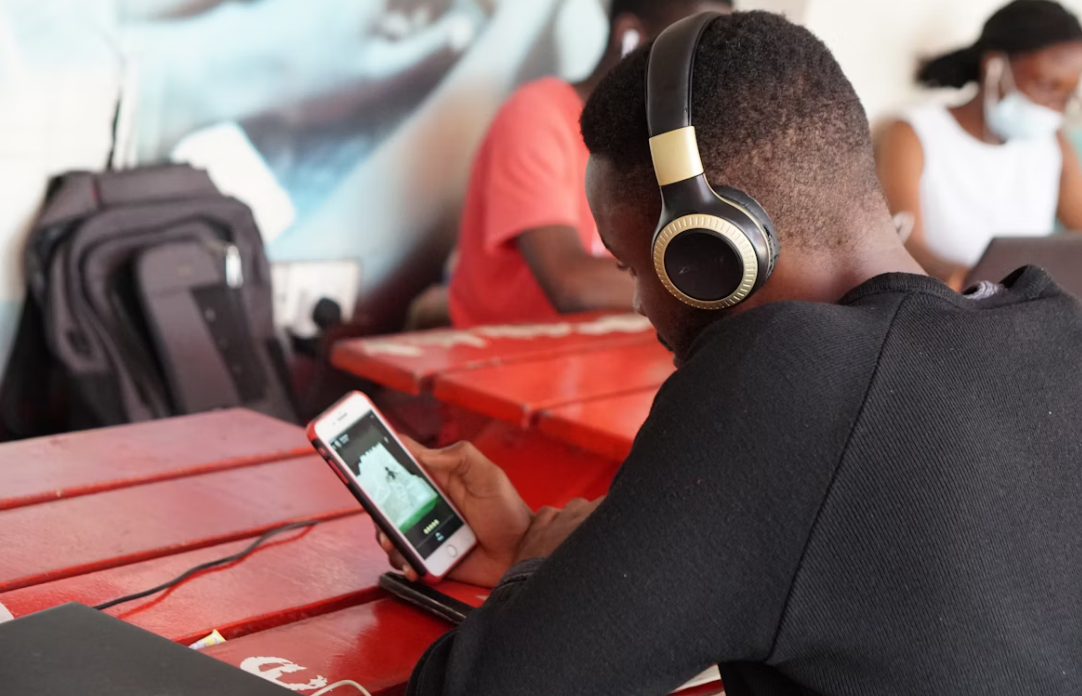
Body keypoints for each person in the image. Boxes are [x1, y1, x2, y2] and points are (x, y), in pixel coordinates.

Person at [378, 10, 1082, 695]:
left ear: (710, 250)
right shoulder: (1054, 326)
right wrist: (561, 554)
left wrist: (533, 567)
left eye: (632, 267)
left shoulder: (783, 380)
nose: (640, 304)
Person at [447, 0, 734, 328]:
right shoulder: (536, 112)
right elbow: (572, 284)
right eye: (696, 57)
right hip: (509, 353)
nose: (712, 76)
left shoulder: (667, 140)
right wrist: (710, 287)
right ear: (632, 38)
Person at [876, 0, 1082, 287]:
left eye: (1068, 94)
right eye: (1046, 85)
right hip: (947, 300)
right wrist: (968, 282)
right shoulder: (913, 133)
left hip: (1025, 304)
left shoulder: (1053, 142)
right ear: (993, 65)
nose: (1055, 107)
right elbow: (904, 243)